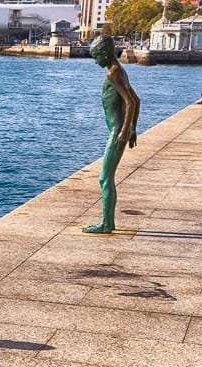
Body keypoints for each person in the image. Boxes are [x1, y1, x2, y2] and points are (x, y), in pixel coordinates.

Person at [84, 34, 140, 235]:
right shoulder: (120, 71)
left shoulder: (113, 75)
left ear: (105, 54)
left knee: (104, 178)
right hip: (120, 130)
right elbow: (137, 99)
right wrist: (133, 127)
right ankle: (108, 222)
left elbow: (131, 102)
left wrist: (125, 131)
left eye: (96, 56)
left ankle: (107, 224)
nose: (95, 60)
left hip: (117, 132)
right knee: (107, 177)